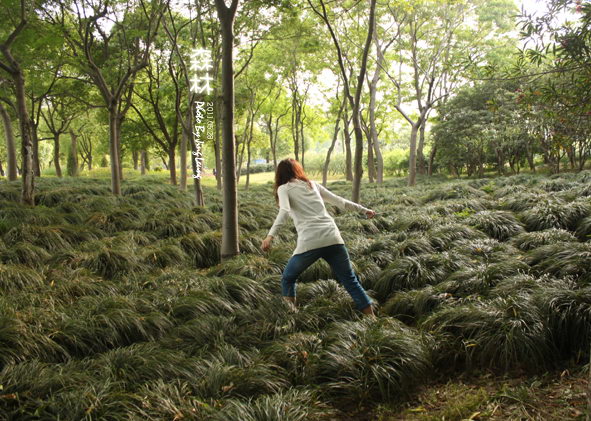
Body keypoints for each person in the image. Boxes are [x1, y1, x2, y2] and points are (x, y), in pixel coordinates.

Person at [260, 158, 376, 316]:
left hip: (311, 241)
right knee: (350, 280)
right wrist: (364, 210)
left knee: (288, 278)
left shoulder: (284, 189)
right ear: (297, 170)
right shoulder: (312, 184)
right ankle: (372, 319)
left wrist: (270, 236)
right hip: (333, 237)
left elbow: (284, 211)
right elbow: (339, 201)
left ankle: (291, 316)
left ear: (279, 174)